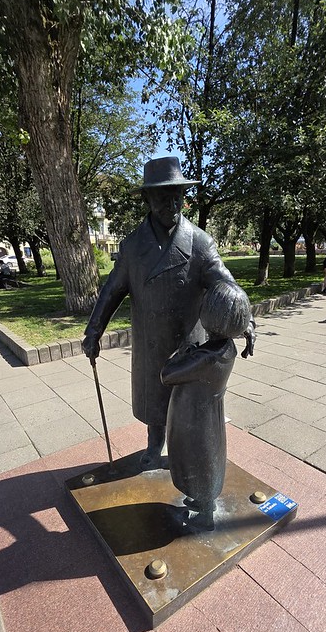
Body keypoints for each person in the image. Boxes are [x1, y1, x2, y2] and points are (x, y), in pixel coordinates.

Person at [82, 156, 255, 470]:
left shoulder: (200, 242)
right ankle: (153, 444)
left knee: (187, 407)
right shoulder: (133, 246)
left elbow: (224, 281)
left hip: (188, 341)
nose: (171, 203)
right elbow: (111, 292)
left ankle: (186, 455)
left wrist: (245, 318)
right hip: (151, 342)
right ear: (148, 198)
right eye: (163, 196)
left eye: (177, 196)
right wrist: (93, 331)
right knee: (155, 401)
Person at [161, 281, 252, 530]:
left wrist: (181, 353)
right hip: (207, 416)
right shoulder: (226, 347)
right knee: (206, 460)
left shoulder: (207, 357)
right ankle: (202, 501)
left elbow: (167, 375)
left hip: (193, 419)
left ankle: (204, 516)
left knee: (196, 460)